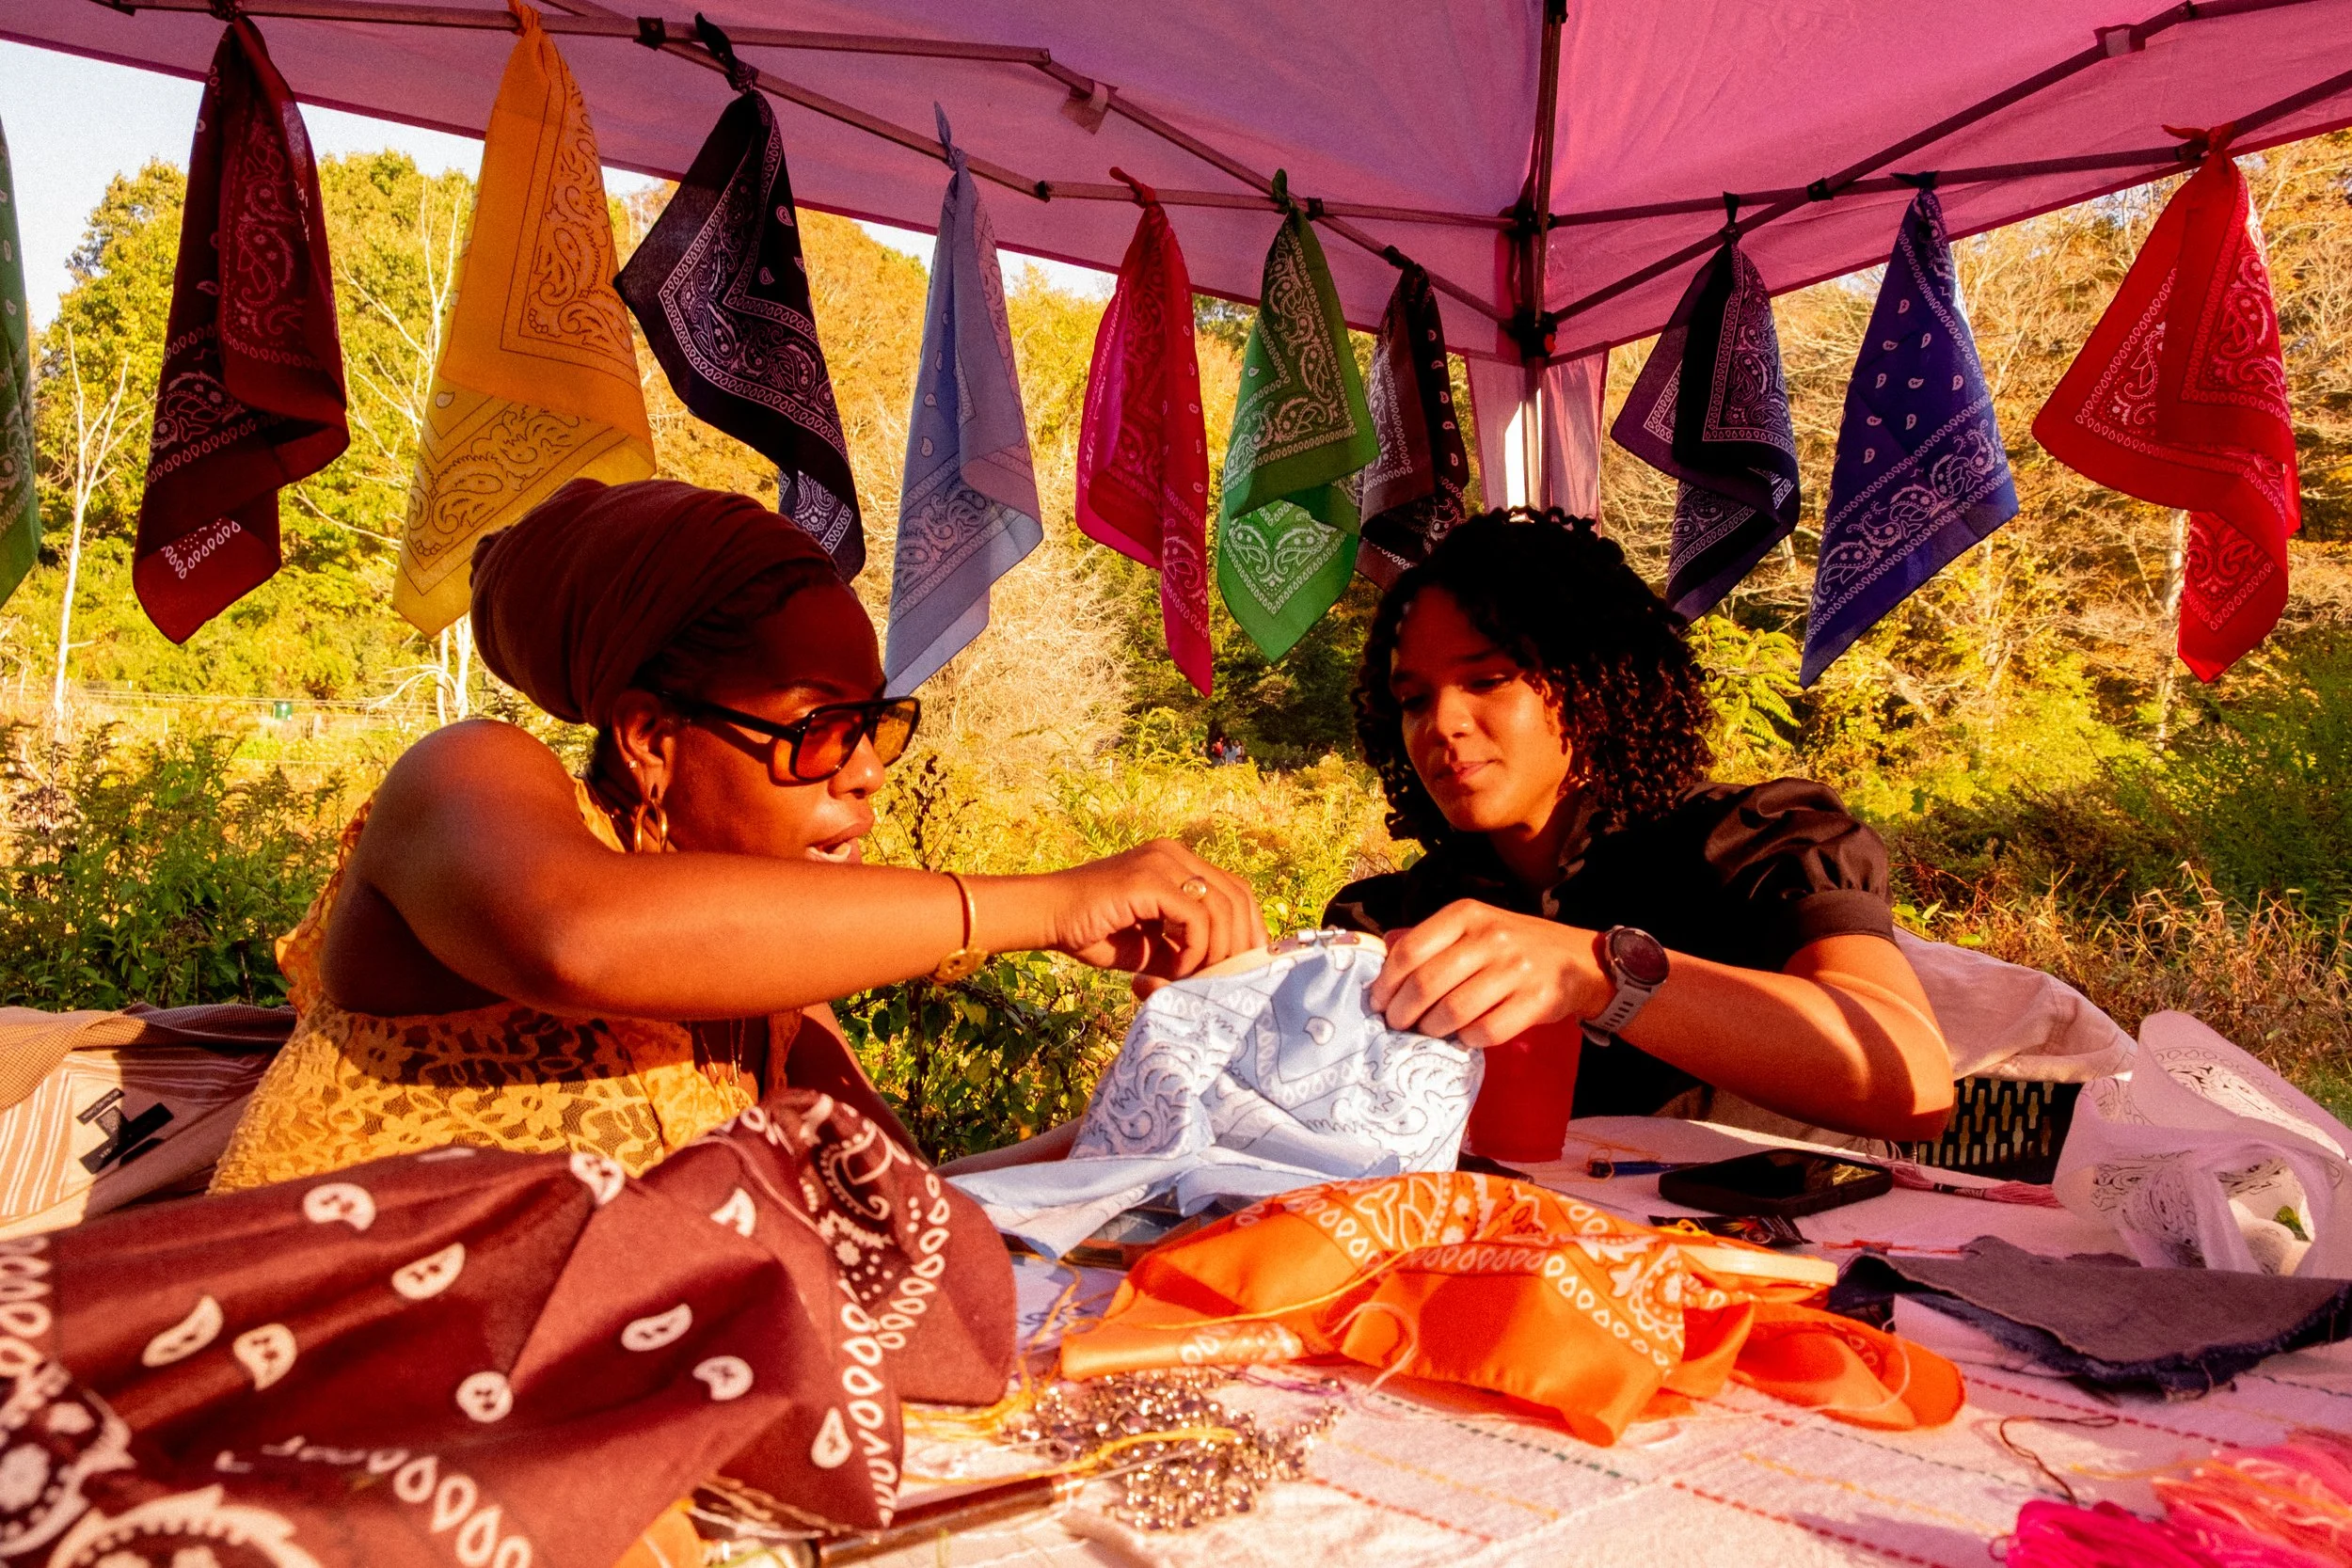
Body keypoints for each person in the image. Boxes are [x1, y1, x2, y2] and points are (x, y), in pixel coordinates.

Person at [210, 479, 1263, 1191]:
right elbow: (577, 934)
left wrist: (1130, 1126)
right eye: (818, 725)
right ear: (650, 737)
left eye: (874, 721)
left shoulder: (771, 990)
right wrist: (1042, 902)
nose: (867, 765)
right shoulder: (466, 777)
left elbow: (903, 1205)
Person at [1325, 509, 1953, 1147]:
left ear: (1590, 681)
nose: (1443, 723)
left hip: (1781, 1240)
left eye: (1487, 679)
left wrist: (1602, 974)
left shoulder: (1749, 845)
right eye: (1414, 699)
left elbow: (1916, 1082)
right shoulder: (1402, 917)